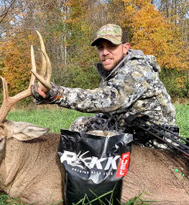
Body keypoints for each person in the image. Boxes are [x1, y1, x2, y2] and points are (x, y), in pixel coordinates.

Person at [31, 23, 179, 148]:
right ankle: (74, 174)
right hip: (128, 130)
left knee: (93, 140)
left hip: (154, 140)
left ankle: (87, 177)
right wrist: (47, 96)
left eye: (111, 46)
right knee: (81, 125)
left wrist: (59, 94)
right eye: (100, 47)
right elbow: (108, 113)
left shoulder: (137, 69)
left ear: (125, 48)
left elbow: (112, 100)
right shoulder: (113, 74)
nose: (105, 52)